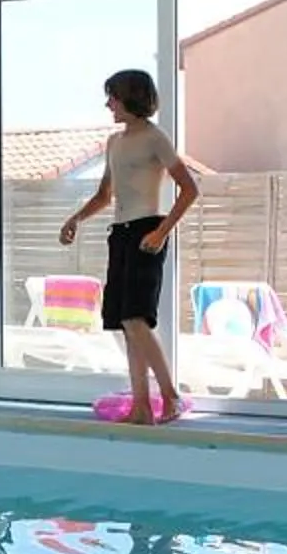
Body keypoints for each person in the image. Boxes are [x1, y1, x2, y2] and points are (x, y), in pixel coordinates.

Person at [58, 67, 199, 425]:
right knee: (126, 322)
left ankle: (171, 397)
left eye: (113, 97)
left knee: (137, 319)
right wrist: (75, 218)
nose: (108, 104)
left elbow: (189, 189)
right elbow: (105, 194)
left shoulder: (155, 138)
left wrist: (162, 232)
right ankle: (141, 406)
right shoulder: (114, 143)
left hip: (147, 230)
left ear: (130, 98)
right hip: (120, 233)